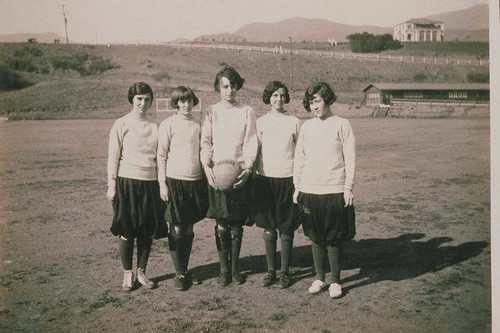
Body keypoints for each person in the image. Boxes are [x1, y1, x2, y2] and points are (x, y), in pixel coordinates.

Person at [293, 82, 356, 298]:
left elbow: (350, 158)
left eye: (318, 100)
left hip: (334, 189)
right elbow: (299, 158)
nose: (314, 106)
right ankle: (320, 278)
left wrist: (348, 187)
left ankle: (336, 282)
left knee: (334, 237)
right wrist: (297, 186)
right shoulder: (307, 127)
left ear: (327, 99)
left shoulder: (342, 124)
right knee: (316, 237)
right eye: (311, 102)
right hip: (310, 190)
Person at [107, 82, 168, 291]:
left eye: (147, 99)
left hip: (150, 184)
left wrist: (162, 184)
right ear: (132, 99)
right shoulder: (121, 123)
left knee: (146, 231)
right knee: (127, 230)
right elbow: (113, 157)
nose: (143, 103)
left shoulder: (156, 126)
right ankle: (127, 273)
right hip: (126, 183)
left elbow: (161, 158)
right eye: (139, 99)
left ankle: (142, 272)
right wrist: (111, 185)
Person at [200, 66, 258, 286]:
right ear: (218, 87)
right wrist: (207, 169)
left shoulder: (247, 111)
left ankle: (235, 269)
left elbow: (251, 140)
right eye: (225, 86)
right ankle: (223, 270)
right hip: (217, 174)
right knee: (221, 222)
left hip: (239, 174)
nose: (230, 90)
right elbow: (205, 142)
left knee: (237, 223)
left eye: (233, 85)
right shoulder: (210, 111)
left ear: (238, 86)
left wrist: (248, 168)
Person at [157, 86, 208, 291]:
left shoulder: (198, 125)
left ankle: (185, 270)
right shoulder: (168, 124)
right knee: (176, 228)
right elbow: (161, 156)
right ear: (176, 104)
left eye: (189, 101)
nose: (186, 105)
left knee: (188, 228)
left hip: (194, 181)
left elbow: (204, 151)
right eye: (182, 101)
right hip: (175, 181)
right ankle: (179, 273)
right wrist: (162, 183)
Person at [254, 81, 301, 288]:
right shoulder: (261, 122)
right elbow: (255, 151)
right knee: (269, 226)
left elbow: (300, 152)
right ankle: (270, 270)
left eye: (282, 95)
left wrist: (299, 180)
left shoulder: (294, 121)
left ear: (286, 98)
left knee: (287, 227)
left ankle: (284, 272)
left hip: (288, 178)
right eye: (274, 95)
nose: (278, 99)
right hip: (265, 179)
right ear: (268, 98)